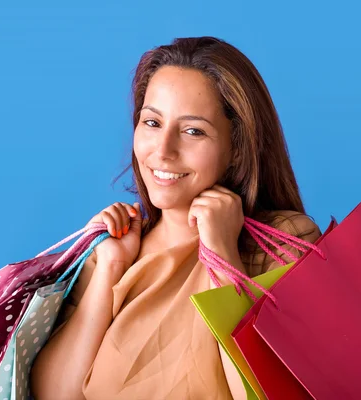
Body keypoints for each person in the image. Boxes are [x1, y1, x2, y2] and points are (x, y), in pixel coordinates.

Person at [30, 36, 321, 400]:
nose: (163, 151)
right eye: (152, 123)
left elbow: (270, 392)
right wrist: (108, 268)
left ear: (236, 148)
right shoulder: (116, 250)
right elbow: (52, 395)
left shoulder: (284, 242)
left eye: (193, 131)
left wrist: (222, 255)